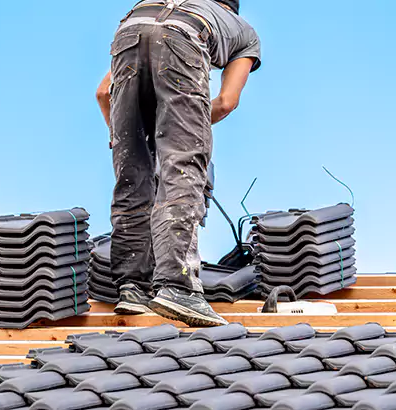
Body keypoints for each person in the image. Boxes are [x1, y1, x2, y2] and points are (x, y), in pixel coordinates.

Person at [95, 0, 260, 327]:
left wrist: (124, 137)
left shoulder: (158, 6)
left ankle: (133, 288)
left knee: (132, 176)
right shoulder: (244, 34)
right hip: (183, 39)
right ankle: (177, 286)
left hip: (129, 31)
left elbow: (104, 93)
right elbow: (226, 102)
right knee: (181, 169)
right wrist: (177, 131)